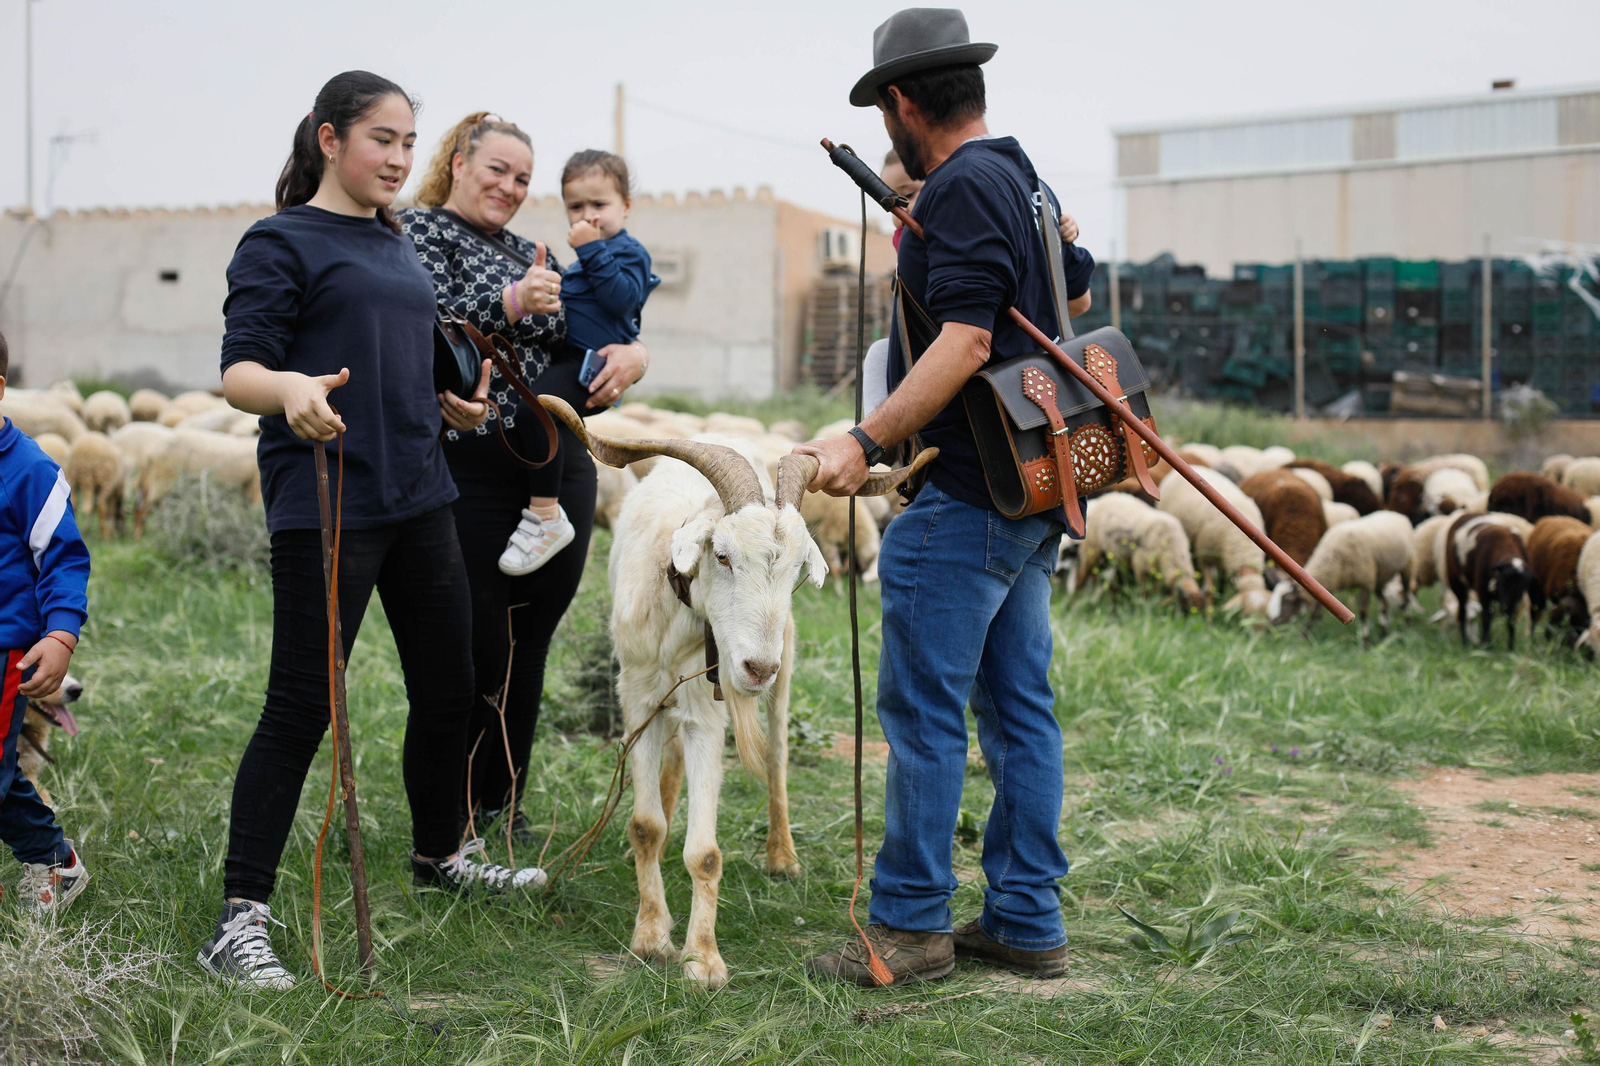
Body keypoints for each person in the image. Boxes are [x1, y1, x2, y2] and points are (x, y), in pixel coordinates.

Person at [203, 72, 546, 993]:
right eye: (381, 140)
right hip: (329, 501)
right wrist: (290, 390)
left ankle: (441, 854)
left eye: (407, 143)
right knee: (301, 707)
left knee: (450, 686)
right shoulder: (279, 241)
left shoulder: (395, 240)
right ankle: (239, 920)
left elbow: (405, 357)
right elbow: (240, 371)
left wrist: (451, 402)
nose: (398, 159)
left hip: (420, 494)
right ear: (329, 139)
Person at [798, 9, 1095, 986]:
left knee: (923, 715)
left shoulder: (964, 186)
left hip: (966, 495)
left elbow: (967, 341)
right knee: (1018, 713)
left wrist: (862, 439)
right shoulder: (1022, 177)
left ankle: (912, 925)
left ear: (900, 101)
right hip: (1028, 492)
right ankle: (1026, 919)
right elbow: (1074, 301)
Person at [401, 115, 649, 838]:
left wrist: (635, 354)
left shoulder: (533, 250)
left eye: (522, 178)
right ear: (458, 164)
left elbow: (594, 328)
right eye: (497, 171)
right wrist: (510, 303)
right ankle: (449, 819)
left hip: (555, 468)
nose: (510, 187)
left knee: (527, 641)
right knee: (473, 641)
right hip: (467, 468)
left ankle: (502, 805)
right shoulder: (419, 231)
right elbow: (419, 322)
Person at [495, 149, 659, 576]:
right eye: (576, 207)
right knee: (533, 416)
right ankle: (541, 510)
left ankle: (545, 515)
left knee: (537, 411)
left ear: (625, 206)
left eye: (599, 204)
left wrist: (591, 250)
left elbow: (622, 300)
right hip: (572, 359)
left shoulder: (628, 252)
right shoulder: (585, 260)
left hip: (595, 368)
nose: (588, 216)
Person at [0, 328, 92, 915]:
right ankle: (54, 858)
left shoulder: (30, 471)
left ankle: (53, 859)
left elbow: (64, 558)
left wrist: (59, 632)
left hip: (7, 649)